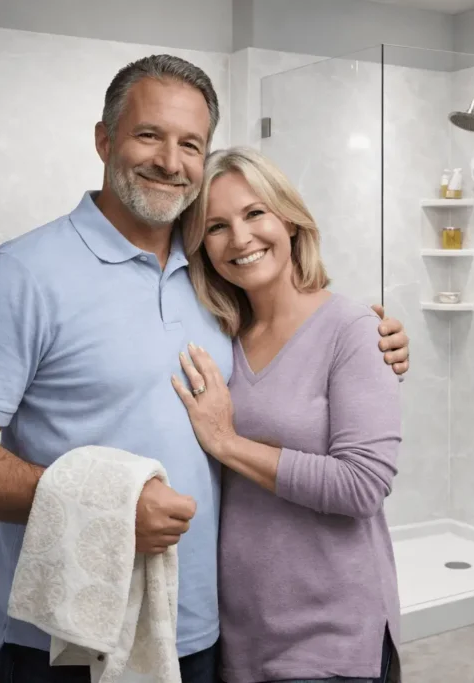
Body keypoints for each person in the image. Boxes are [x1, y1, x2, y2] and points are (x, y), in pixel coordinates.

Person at [0, 54, 409, 683]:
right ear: (104, 139)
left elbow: (299, 354)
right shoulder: (23, 275)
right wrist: (107, 512)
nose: (170, 162)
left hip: (201, 633)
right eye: (149, 135)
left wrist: (376, 339)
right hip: (69, 641)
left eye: (190, 144)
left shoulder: (211, 283)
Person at [170, 146, 402, 683]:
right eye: (217, 227)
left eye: (255, 213)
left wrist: (227, 443)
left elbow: (362, 485)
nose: (241, 238)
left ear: (290, 221)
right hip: (243, 635)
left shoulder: (353, 330)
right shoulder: (222, 338)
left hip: (331, 637)